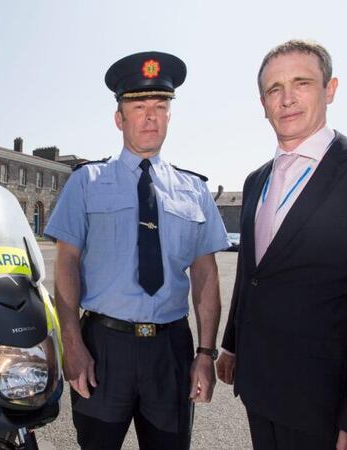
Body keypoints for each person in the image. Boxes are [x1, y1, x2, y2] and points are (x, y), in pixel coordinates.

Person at [216, 40, 347, 450]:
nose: (288, 98)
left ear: (330, 89)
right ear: (262, 103)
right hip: (261, 393)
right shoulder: (255, 180)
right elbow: (252, 273)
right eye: (274, 89)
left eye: (302, 83)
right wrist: (232, 345)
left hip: (330, 410)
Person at [44, 51, 230, 450]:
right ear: (119, 118)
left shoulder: (194, 189)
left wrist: (205, 353)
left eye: (160, 106)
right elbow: (66, 266)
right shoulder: (87, 182)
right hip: (104, 348)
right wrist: (71, 344)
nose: (150, 116)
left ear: (170, 115)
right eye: (139, 106)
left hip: (170, 349)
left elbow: (205, 275)